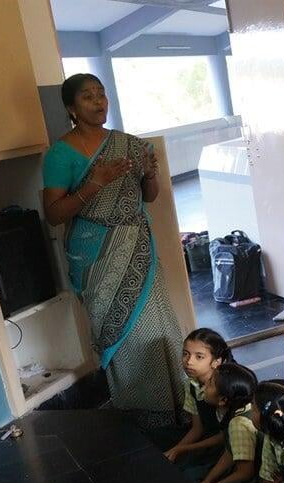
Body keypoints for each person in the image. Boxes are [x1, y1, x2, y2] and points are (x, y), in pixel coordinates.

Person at [42, 73, 185, 427]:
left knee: (156, 324)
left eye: (101, 94)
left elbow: (148, 197)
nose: (98, 102)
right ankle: (139, 409)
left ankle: (177, 402)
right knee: (121, 333)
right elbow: (54, 214)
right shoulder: (60, 154)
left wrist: (149, 175)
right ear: (71, 108)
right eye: (88, 96)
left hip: (137, 247)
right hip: (95, 255)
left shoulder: (130, 145)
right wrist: (95, 183)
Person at [164, 328, 234, 482]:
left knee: (187, 474)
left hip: (228, 446)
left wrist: (182, 449)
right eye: (185, 354)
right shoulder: (191, 384)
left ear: (216, 361)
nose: (189, 362)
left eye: (199, 357)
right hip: (208, 438)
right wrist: (176, 449)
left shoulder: (227, 388)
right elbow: (198, 428)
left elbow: (227, 437)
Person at [196, 363, 259, 483]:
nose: (205, 383)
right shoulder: (241, 408)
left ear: (223, 400)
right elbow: (231, 452)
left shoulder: (238, 423)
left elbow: (245, 473)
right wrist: (207, 481)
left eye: (210, 383)